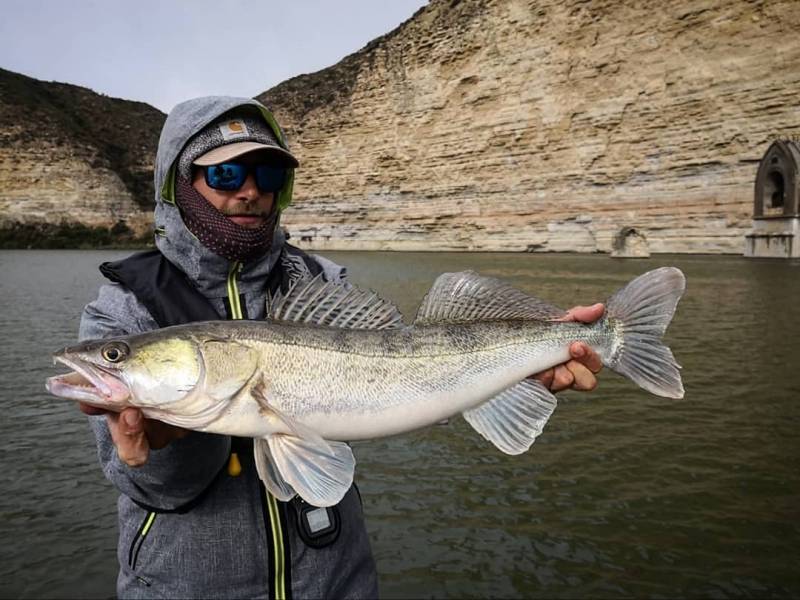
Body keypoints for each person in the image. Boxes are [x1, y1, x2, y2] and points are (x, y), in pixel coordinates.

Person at [78, 96, 604, 599]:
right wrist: (163, 445)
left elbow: (426, 386)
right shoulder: (122, 312)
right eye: (223, 174)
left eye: (269, 175)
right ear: (182, 184)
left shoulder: (321, 281)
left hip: (336, 584)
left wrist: (519, 366)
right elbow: (151, 491)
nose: (249, 191)